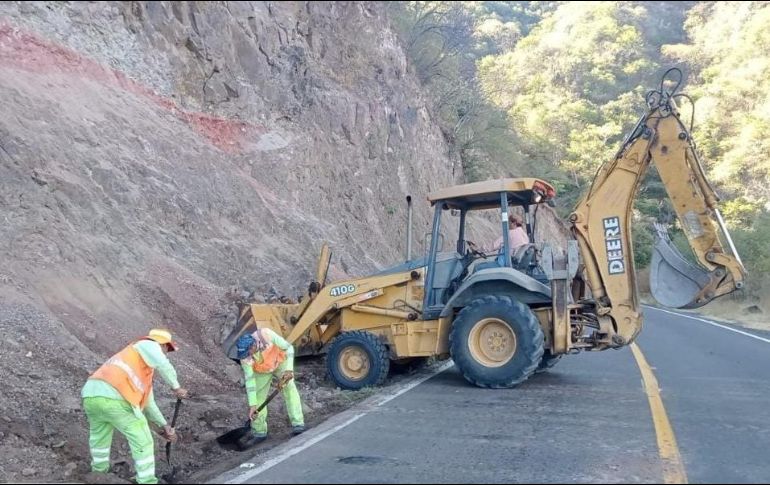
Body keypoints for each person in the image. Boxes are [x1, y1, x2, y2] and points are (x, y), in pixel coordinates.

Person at [81, 329, 188, 485]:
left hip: (91, 395)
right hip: (115, 398)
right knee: (143, 440)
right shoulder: (147, 344)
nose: (166, 353)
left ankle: (99, 474)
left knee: (99, 438)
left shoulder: (137, 367)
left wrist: (163, 426)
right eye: (167, 349)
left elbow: (149, 404)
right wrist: (176, 387)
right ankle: (147, 481)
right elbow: (163, 363)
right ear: (163, 345)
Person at [235, 326, 305, 449]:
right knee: (258, 397)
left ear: (253, 346)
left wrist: (289, 369)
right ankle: (259, 431)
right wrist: (252, 405)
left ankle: (298, 423)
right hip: (262, 371)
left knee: (289, 388)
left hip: (280, 363)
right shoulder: (245, 358)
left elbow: (289, 348)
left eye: (248, 353)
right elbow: (250, 382)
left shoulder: (266, 334)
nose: (247, 356)